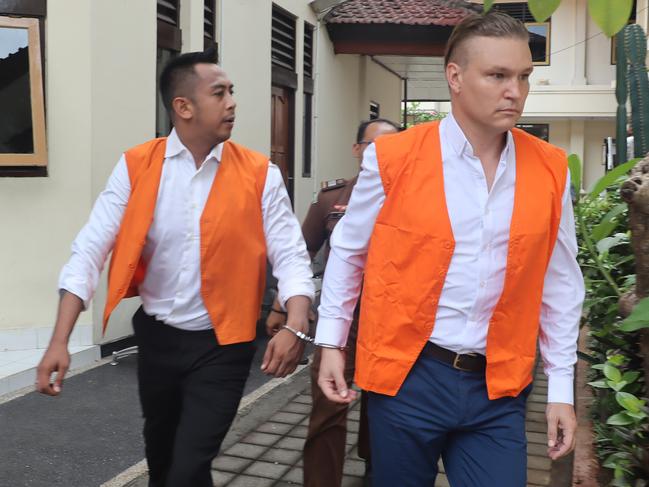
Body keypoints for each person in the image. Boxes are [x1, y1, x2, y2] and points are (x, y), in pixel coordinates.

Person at [315, 12, 584, 487]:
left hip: (499, 390)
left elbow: (561, 283)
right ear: (455, 77)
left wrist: (561, 389)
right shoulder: (394, 157)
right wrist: (332, 342)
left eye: (523, 76)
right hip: (408, 377)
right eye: (498, 75)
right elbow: (350, 252)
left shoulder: (550, 169)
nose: (515, 91)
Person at [35, 48, 314, 487]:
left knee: (187, 469)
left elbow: (292, 255)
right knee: (163, 462)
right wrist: (59, 340)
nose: (232, 103)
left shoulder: (260, 173)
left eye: (232, 92)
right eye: (219, 93)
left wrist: (295, 323)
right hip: (158, 339)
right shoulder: (136, 167)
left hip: (224, 346)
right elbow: (90, 249)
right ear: (183, 107)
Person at [266, 118, 399, 487]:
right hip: (342, 323)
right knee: (328, 410)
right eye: (373, 146)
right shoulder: (333, 198)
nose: (381, 155)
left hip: (396, 325)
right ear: (358, 150)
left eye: (391, 147)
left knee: (384, 408)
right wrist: (283, 307)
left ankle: (376, 468)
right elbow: (300, 254)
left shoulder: (415, 196)